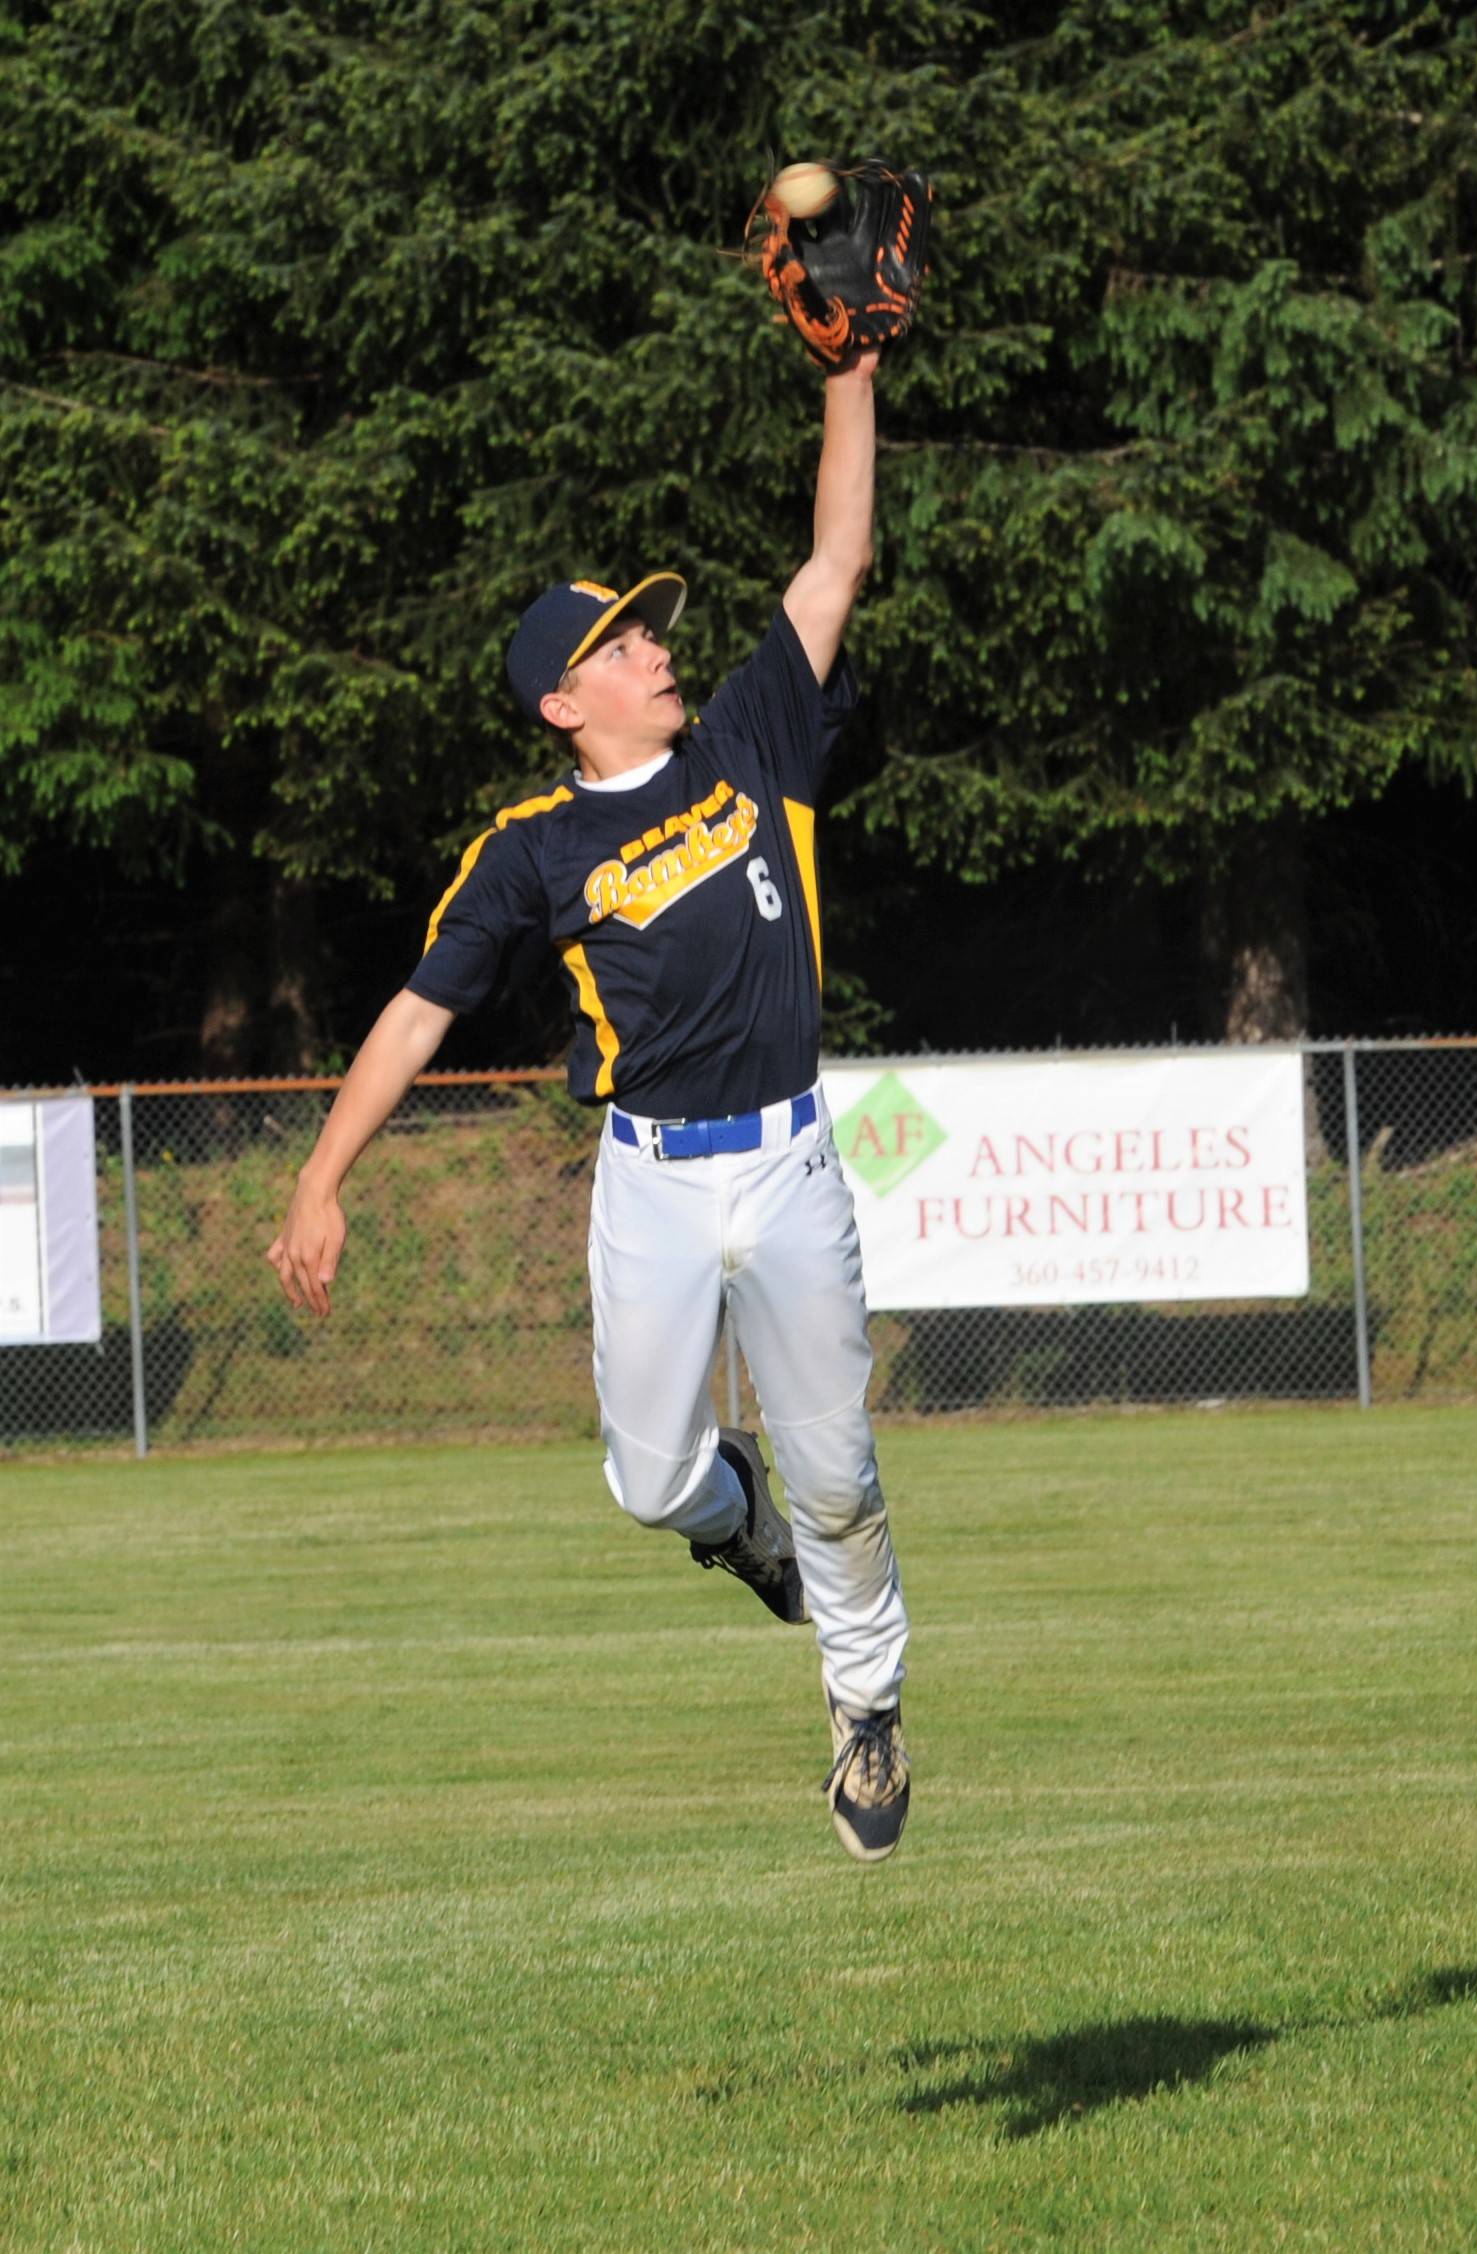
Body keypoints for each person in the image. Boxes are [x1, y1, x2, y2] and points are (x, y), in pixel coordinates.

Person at [267, 347, 910, 1862]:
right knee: (651, 1478)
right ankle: (733, 1517)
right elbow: (420, 1008)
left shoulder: (750, 743)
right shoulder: (532, 851)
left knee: (842, 1473)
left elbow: (835, 558)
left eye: (647, 633)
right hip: (653, 1184)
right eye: (621, 646)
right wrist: (322, 1174)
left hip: (790, 1159)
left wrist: (850, 372)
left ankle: (868, 1706)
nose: (653, 653)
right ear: (565, 699)